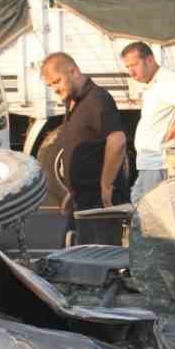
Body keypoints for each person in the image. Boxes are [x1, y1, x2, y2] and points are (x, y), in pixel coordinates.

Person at [42, 53, 127, 243]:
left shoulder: (97, 99)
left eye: (57, 81)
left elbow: (117, 141)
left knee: (100, 262)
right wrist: (72, 192)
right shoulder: (74, 101)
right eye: (50, 86)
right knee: (74, 257)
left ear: (73, 71)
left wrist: (106, 186)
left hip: (100, 204)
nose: (55, 89)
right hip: (82, 199)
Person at [121, 41, 175, 202]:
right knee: (138, 212)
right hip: (149, 164)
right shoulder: (154, 83)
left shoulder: (165, 82)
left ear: (149, 60)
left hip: (158, 164)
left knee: (152, 218)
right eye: (128, 67)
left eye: (134, 65)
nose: (131, 72)